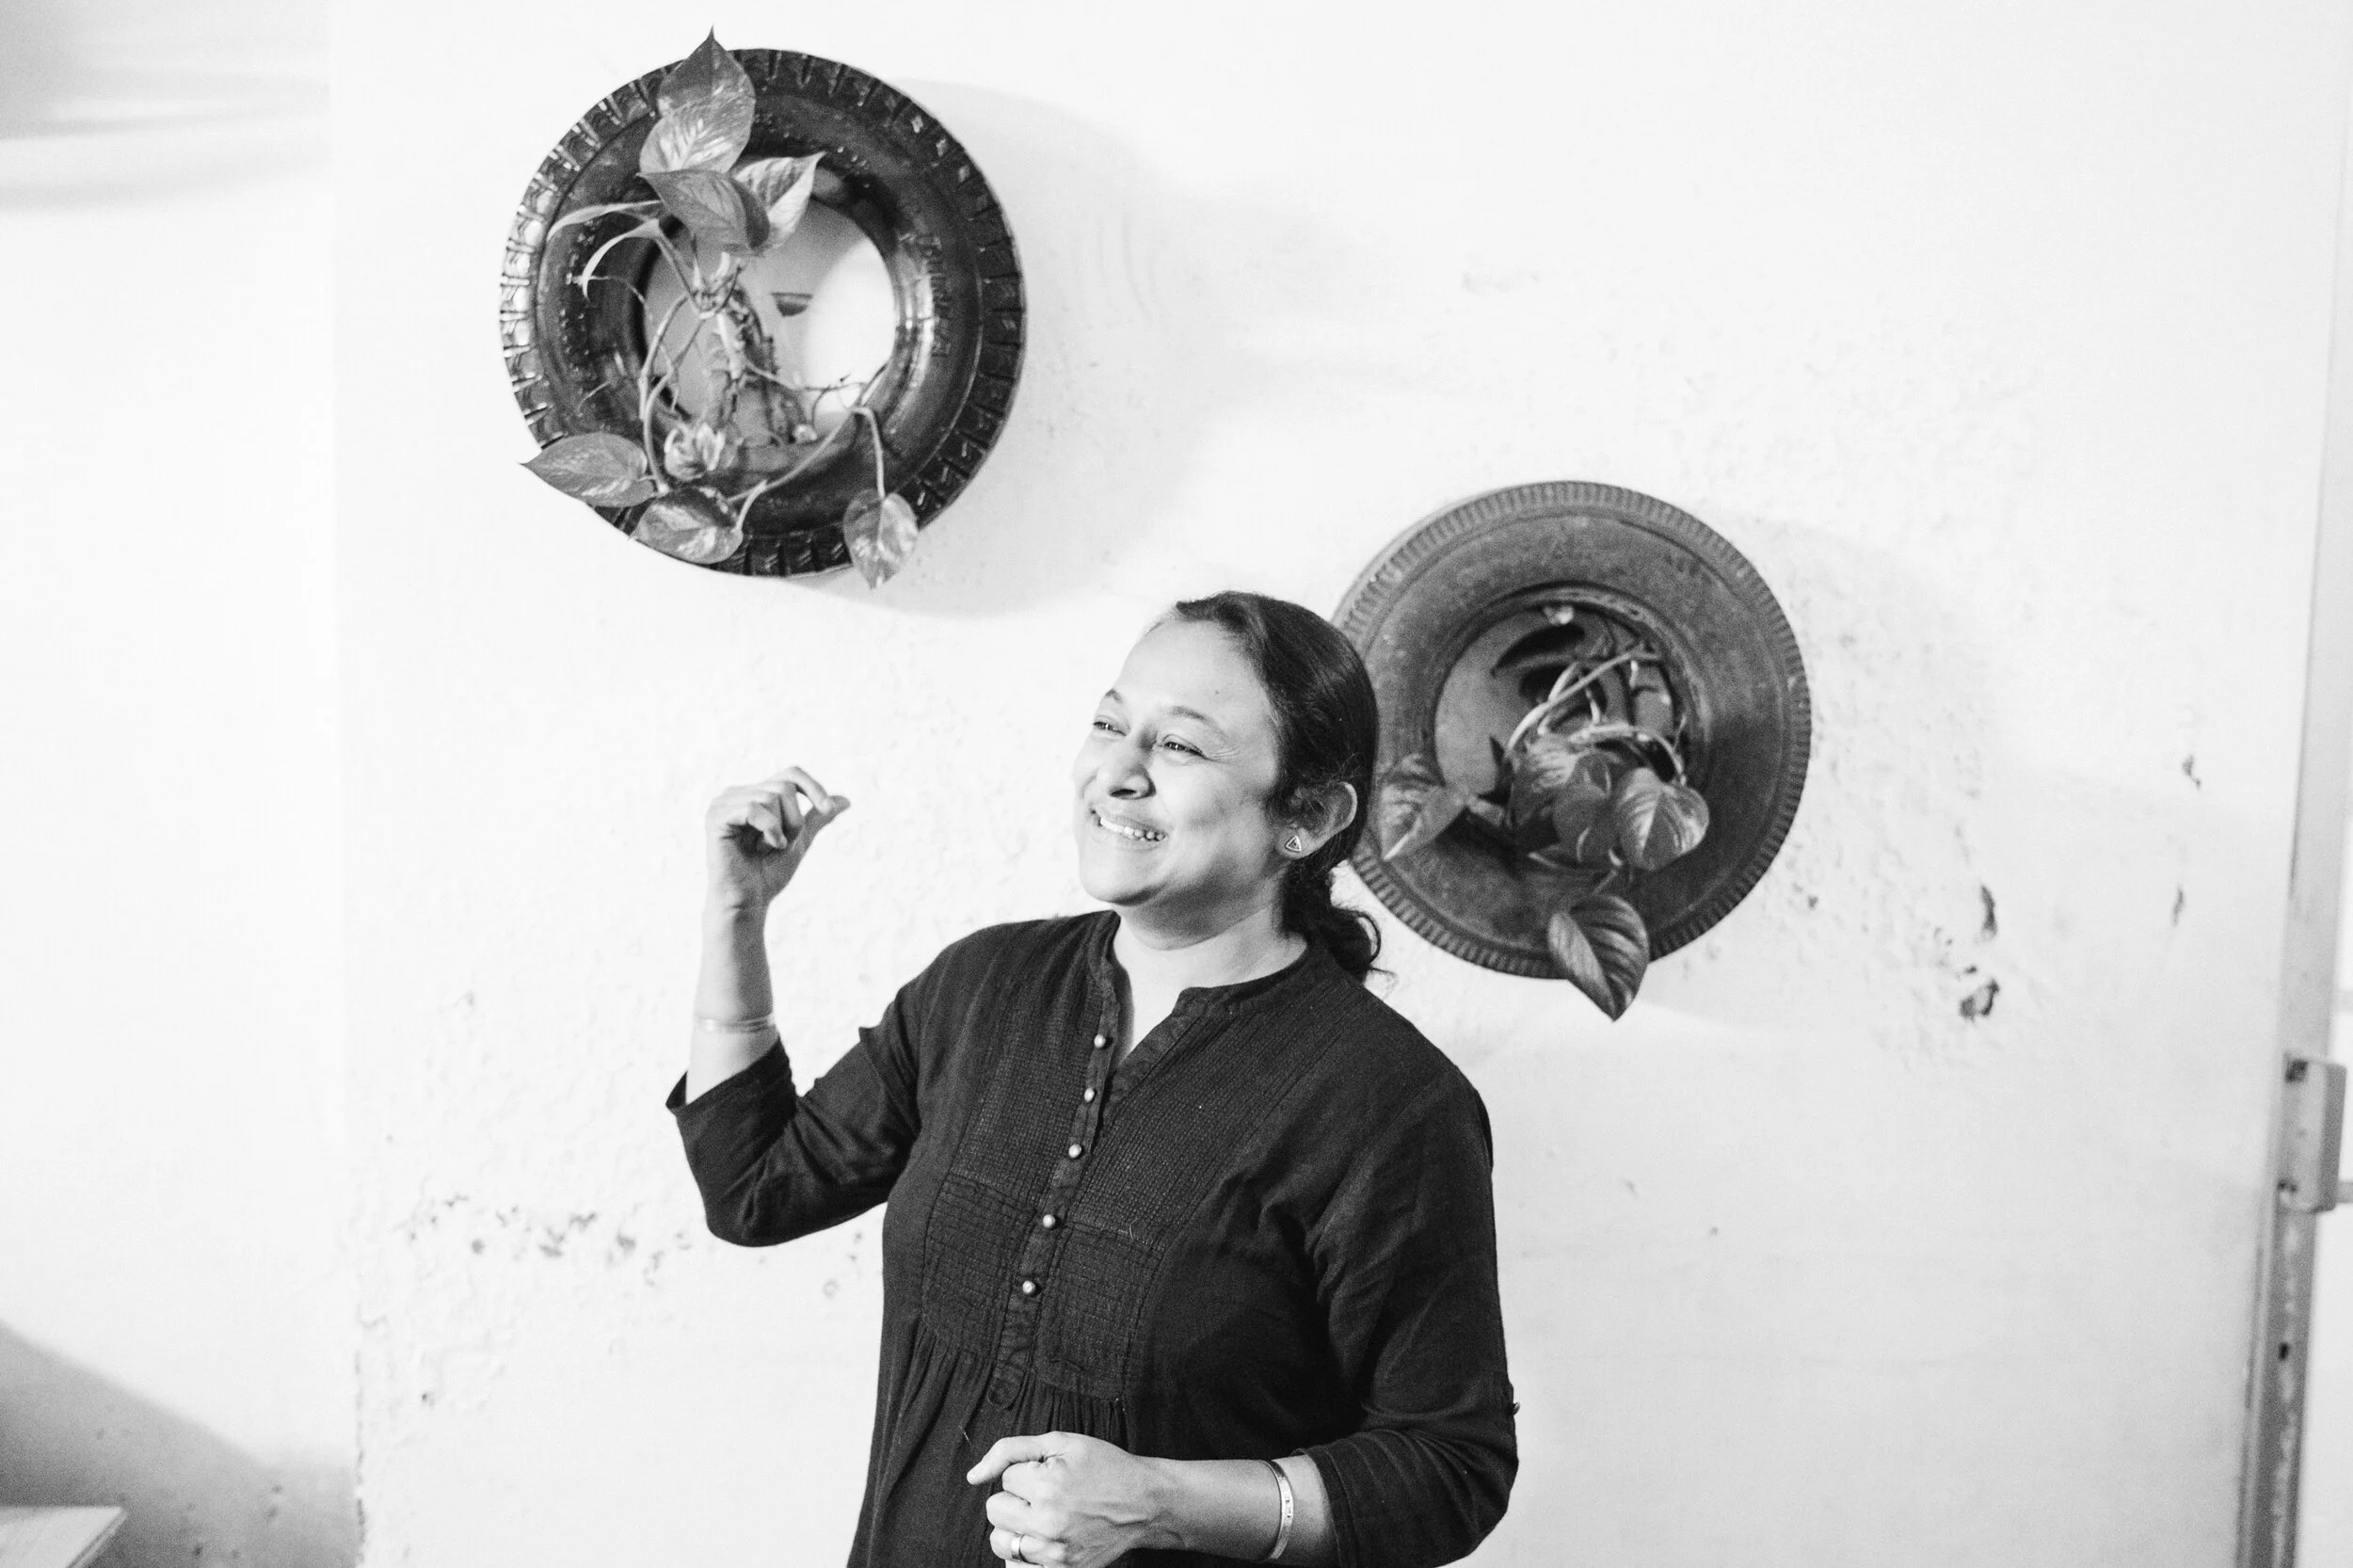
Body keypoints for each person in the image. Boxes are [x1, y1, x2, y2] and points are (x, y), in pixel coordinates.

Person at [668, 591, 1515, 1568]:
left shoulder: (1386, 1104)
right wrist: (736, 913)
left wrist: (1164, 1503)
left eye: (1180, 746)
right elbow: (755, 1189)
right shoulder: (983, 988)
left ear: (1308, 815)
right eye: (1110, 724)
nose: (1117, 772)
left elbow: (1451, 1468)